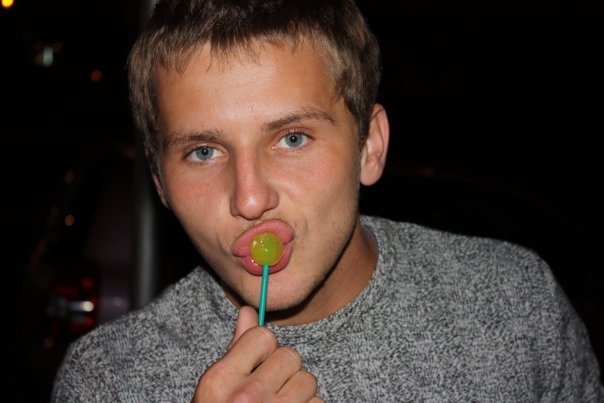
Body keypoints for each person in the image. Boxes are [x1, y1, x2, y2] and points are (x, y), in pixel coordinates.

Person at [51, 0, 603, 401]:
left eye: (292, 139)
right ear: (160, 184)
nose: (250, 199)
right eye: (203, 152)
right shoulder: (107, 381)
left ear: (369, 147)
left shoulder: (517, 303)